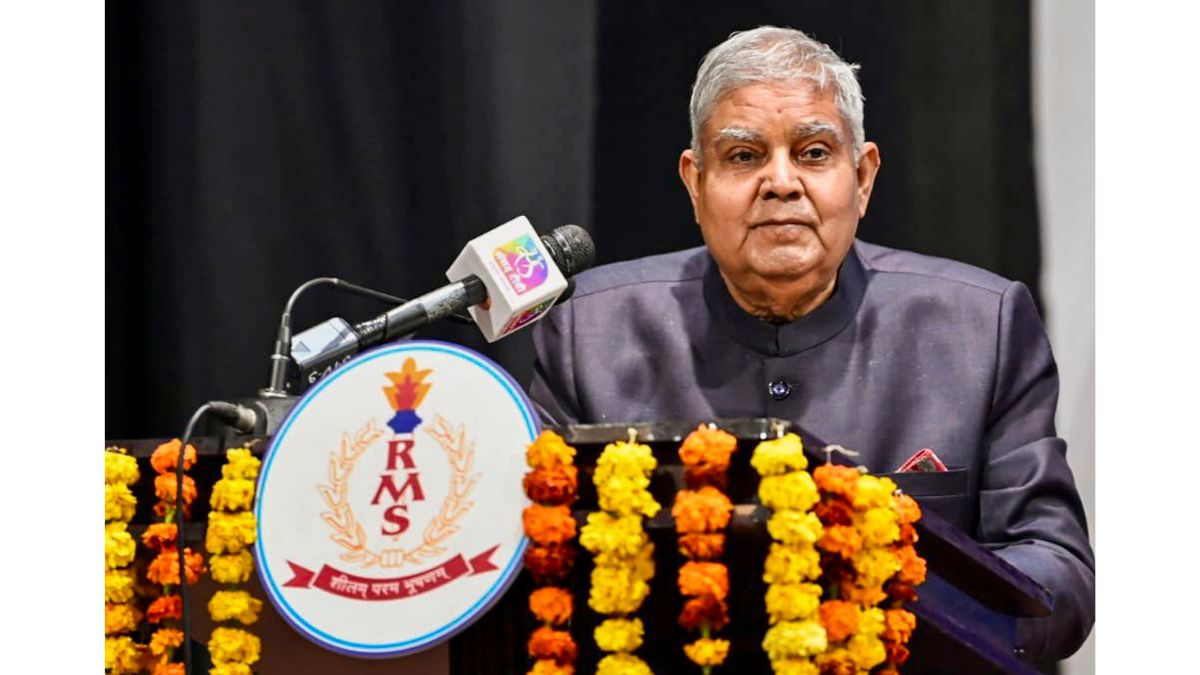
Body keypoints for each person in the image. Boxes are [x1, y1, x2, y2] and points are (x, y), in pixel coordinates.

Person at [528, 26, 1093, 662]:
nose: (781, 182)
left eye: (814, 152)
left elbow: (1056, 575)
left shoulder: (978, 328)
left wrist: (879, 595)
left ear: (863, 177)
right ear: (695, 182)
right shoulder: (590, 334)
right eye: (744, 157)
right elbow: (537, 558)